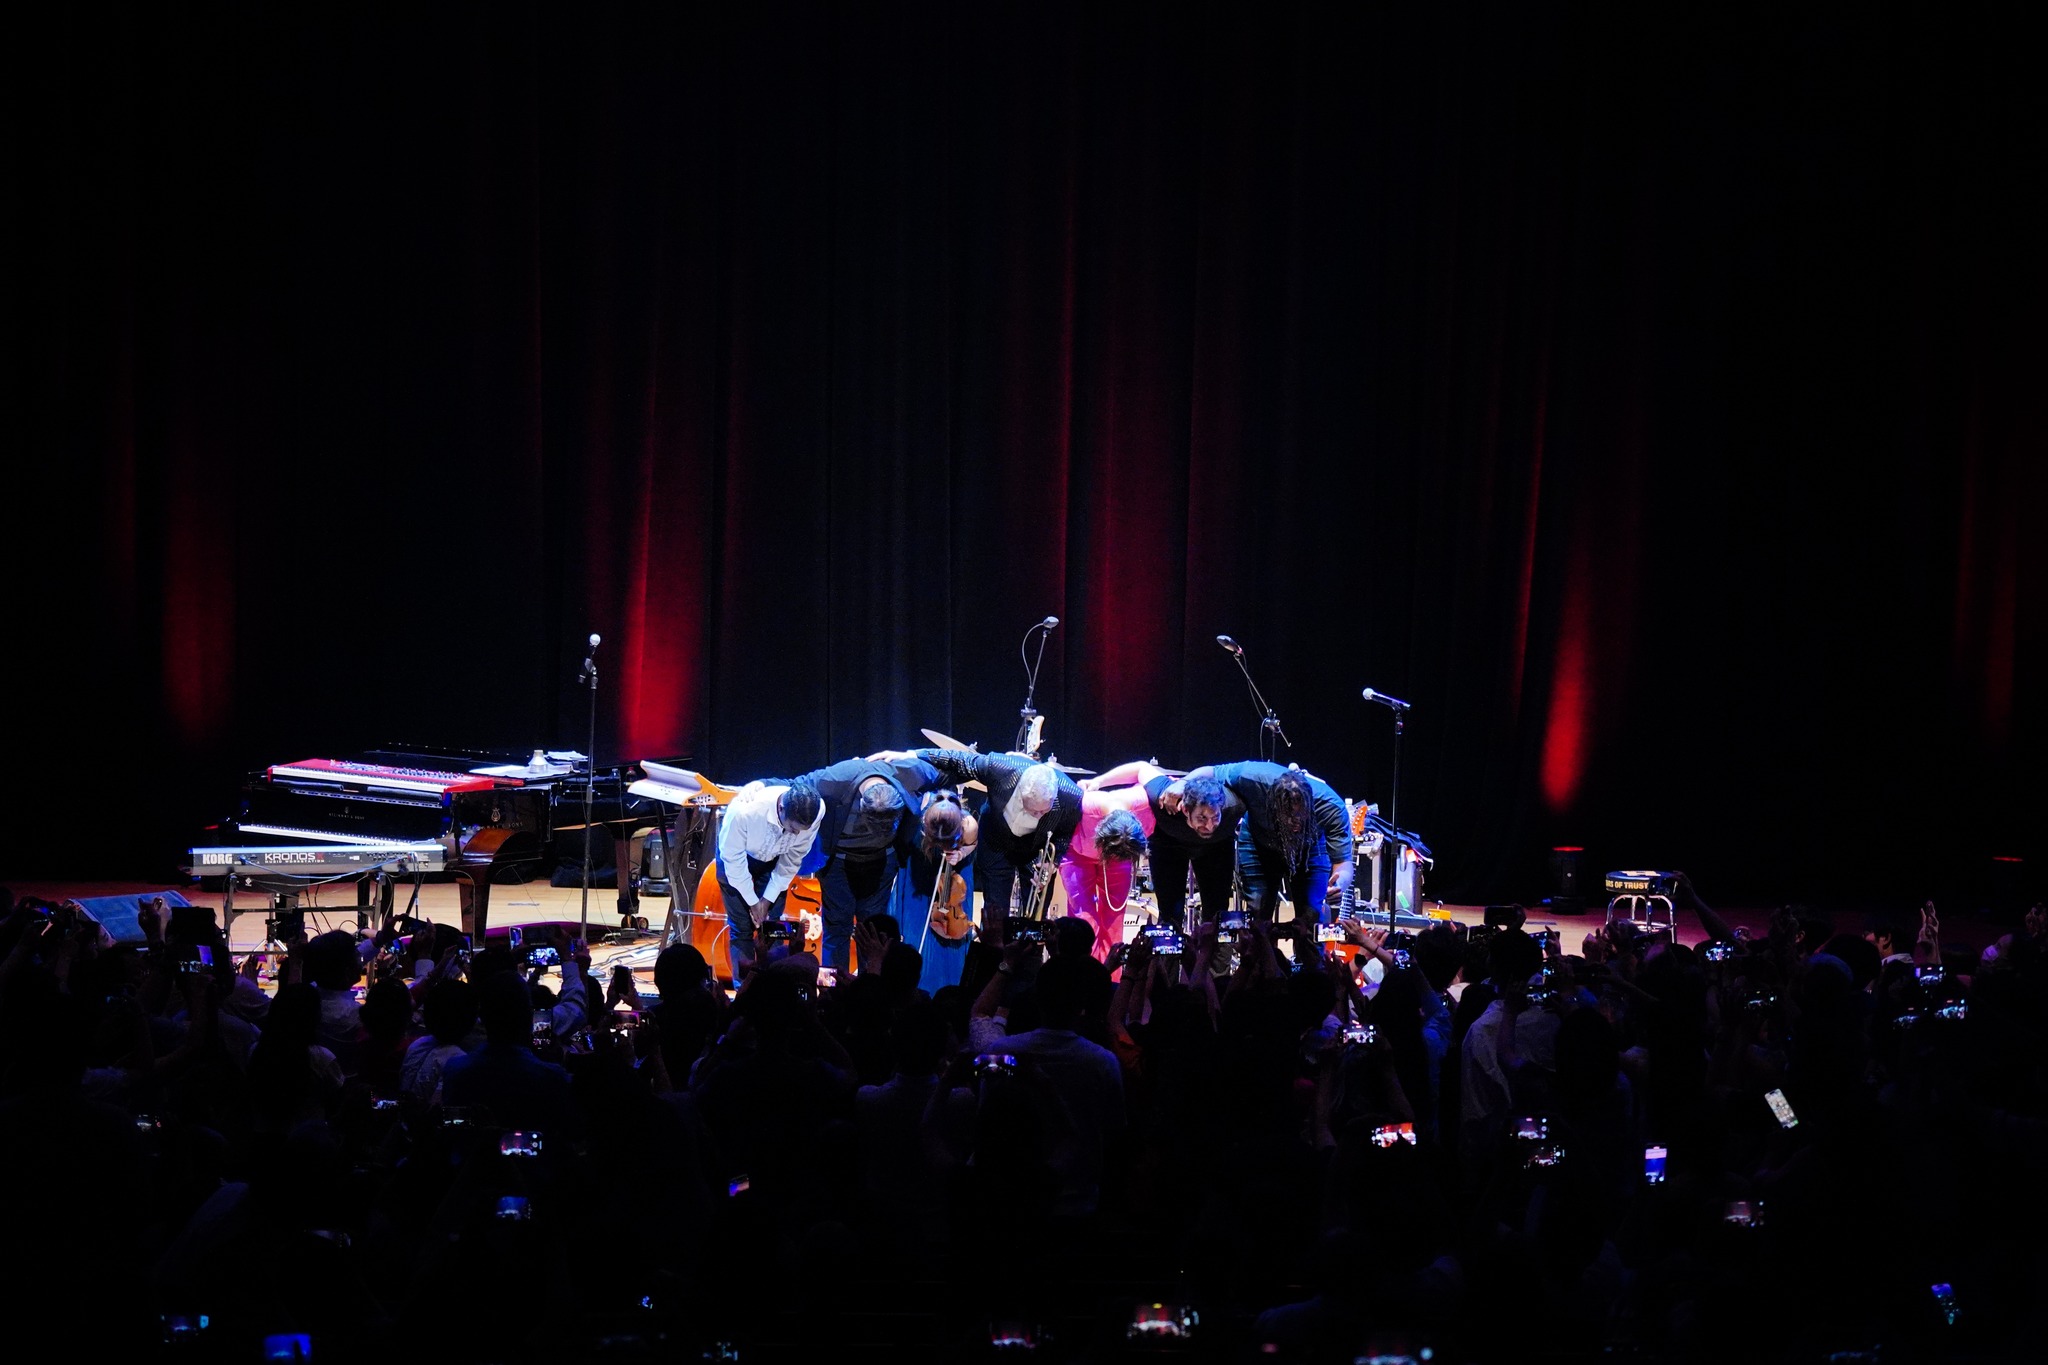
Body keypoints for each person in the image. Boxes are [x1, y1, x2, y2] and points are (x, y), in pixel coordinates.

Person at [910, 747, 1082, 944]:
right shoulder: (1000, 769)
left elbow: (1065, 833)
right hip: (996, 843)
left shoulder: (1071, 796)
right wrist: (913, 754)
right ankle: (993, 956)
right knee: (994, 913)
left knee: (1036, 918)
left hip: (1036, 851)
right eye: (1032, 810)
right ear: (1021, 790)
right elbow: (958, 760)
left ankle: (1029, 956)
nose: (1037, 816)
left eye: (1044, 811)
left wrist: (1053, 863)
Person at [1166, 761, 1354, 923]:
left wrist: (1339, 884)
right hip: (1259, 844)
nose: (1293, 823)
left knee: (1311, 916)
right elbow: (1211, 771)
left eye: (1299, 816)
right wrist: (1184, 783)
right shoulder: (1253, 779)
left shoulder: (1332, 808)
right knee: (1257, 915)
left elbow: (1344, 863)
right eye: (1287, 816)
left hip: (1309, 850)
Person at [714, 777, 824, 981]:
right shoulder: (744, 811)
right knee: (742, 928)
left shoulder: (816, 811)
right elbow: (734, 862)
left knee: (774, 927)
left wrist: (767, 900)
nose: (796, 834)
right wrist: (753, 902)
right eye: (793, 828)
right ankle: (744, 989)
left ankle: (775, 985)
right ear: (781, 809)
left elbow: (793, 858)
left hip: (773, 860)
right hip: (736, 860)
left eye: (801, 830)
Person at [1065, 761, 1171, 959]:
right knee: (1084, 920)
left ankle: (1110, 973)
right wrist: (1096, 783)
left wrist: (1100, 780)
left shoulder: (1145, 802)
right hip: (1078, 856)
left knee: (1114, 920)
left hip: (1120, 855)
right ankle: (1083, 970)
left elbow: (1141, 767)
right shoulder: (1084, 804)